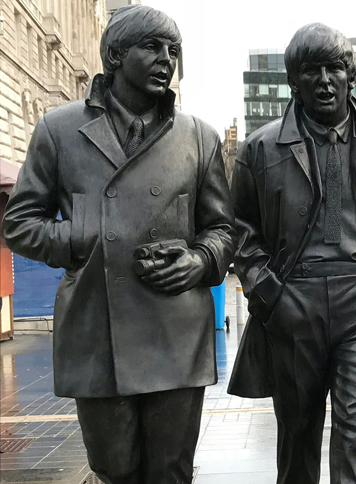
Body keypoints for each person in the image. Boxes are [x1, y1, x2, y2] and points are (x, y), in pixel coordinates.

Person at [1, 5, 234, 483]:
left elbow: (224, 230)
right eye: (151, 47)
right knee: (114, 468)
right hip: (96, 329)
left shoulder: (199, 137)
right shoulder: (58, 130)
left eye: (173, 50)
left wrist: (200, 259)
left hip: (175, 331)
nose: (166, 59)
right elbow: (19, 223)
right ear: (114, 55)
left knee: (170, 471)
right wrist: (81, 235)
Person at [227, 23, 356, 484]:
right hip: (294, 301)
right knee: (297, 442)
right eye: (311, 70)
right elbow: (239, 231)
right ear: (293, 81)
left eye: (335, 68)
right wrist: (270, 294)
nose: (325, 80)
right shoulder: (259, 149)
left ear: (351, 76)